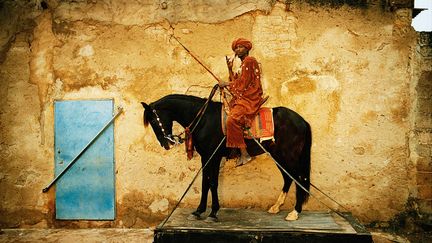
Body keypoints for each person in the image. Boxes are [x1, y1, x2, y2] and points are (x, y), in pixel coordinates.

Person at [219, 38, 264, 166]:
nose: (237, 50)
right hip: (242, 97)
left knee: (232, 119)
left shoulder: (249, 61)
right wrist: (229, 69)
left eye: (240, 47)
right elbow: (237, 81)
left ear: (247, 48)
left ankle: (244, 154)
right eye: (236, 48)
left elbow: (242, 84)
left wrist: (226, 83)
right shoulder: (243, 64)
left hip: (250, 98)